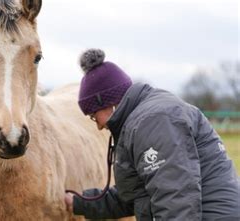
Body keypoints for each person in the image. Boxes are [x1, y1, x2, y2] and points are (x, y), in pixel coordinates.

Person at [64, 48, 240, 220]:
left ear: (109, 104)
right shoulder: (142, 121)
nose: (99, 127)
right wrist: (80, 203)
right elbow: (136, 195)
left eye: (95, 117)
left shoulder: (153, 121)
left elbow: (176, 198)